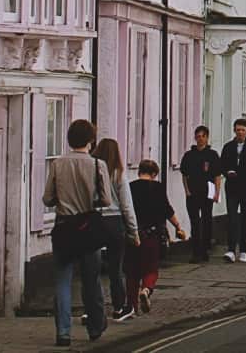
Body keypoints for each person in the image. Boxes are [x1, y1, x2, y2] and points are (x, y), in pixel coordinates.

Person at [43, 119, 111, 347]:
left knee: (62, 281)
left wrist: (62, 198)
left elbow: (48, 198)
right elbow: (106, 199)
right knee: (91, 280)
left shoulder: (58, 164)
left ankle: (63, 333)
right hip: (88, 226)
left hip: (64, 227)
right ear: (90, 140)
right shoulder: (97, 165)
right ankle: (95, 326)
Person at [125, 159, 187, 316]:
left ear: (140, 171)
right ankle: (146, 289)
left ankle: (132, 307)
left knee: (132, 273)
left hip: (133, 235)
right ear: (153, 174)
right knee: (151, 268)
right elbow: (167, 210)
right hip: (151, 234)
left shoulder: (130, 187)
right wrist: (178, 227)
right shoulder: (157, 188)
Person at [93, 138, 139, 321]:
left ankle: (91, 309)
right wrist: (133, 232)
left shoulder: (92, 173)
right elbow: (127, 206)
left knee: (92, 268)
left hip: (95, 219)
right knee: (115, 268)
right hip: (114, 222)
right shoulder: (118, 174)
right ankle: (119, 307)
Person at [219, 118, 246, 262]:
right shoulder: (228, 147)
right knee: (232, 218)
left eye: (243, 130)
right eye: (238, 130)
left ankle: (243, 251)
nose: (240, 133)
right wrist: (227, 173)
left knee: (245, 218)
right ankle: (231, 250)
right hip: (231, 187)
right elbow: (222, 165)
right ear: (234, 130)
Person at [178, 126, 221, 262]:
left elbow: (217, 176)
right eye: (198, 136)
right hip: (193, 192)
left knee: (207, 220)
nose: (200, 139)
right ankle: (196, 251)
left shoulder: (212, 155)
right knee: (194, 222)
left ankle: (205, 249)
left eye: (203, 136)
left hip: (207, 191)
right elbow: (184, 175)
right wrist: (187, 191)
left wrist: (216, 193)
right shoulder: (189, 155)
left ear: (207, 138)